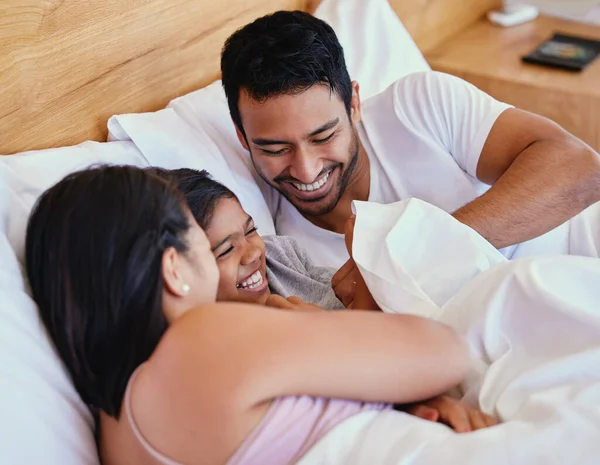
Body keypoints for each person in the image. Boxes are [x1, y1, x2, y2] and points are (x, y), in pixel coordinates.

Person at [25, 165, 490, 465]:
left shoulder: (115, 430)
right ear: (174, 268)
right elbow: (447, 351)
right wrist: (309, 321)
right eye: (208, 245)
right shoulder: (199, 337)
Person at [219, 10, 600, 301]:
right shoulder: (286, 258)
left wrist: (414, 251)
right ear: (242, 137)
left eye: (323, 136)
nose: (305, 169)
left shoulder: (418, 106)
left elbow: (581, 167)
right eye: (275, 148)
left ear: (354, 104)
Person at [149, 167, 378, 311]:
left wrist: (369, 276)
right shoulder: (217, 338)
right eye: (226, 250)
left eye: (251, 230)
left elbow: (348, 293)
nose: (254, 252)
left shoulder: (278, 255)